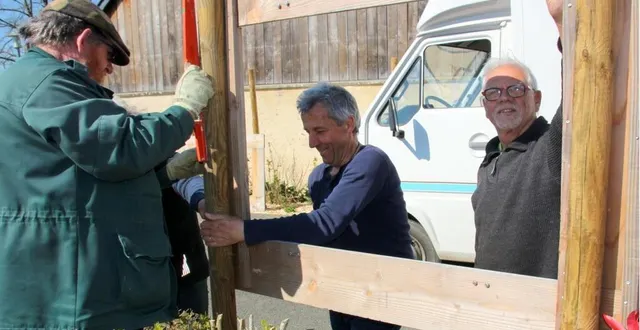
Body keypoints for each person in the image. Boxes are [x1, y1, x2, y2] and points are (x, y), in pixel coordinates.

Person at [0, 0, 214, 329]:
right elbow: (121, 148)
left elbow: (79, 175)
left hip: (61, 281)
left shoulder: (30, 80)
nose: (110, 68)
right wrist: (184, 108)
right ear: (84, 40)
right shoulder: (48, 83)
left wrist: (164, 173)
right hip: (71, 289)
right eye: (110, 55)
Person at [199, 82, 413, 330]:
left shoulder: (370, 162)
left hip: (382, 293)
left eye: (320, 131)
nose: (312, 142)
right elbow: (316, 232)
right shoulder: (319, 177)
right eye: (308, 131)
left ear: (348, 124)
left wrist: (244, 230)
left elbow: (324, 224)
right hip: (344, 291)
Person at [471, 1, 564, 279]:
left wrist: (562, 23)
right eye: (493, 92)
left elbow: (580, 91)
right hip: (490, 304)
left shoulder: (551, 147)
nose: (504, 97)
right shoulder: (490, 160)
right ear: (485, 105)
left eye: (515, 88)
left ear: (535, 99)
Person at [164, 172, 210, 315]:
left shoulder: (166, 161)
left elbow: (189, 181)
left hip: (187, 268)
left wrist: (201, 200)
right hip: (144, 278)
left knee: (193, 318)